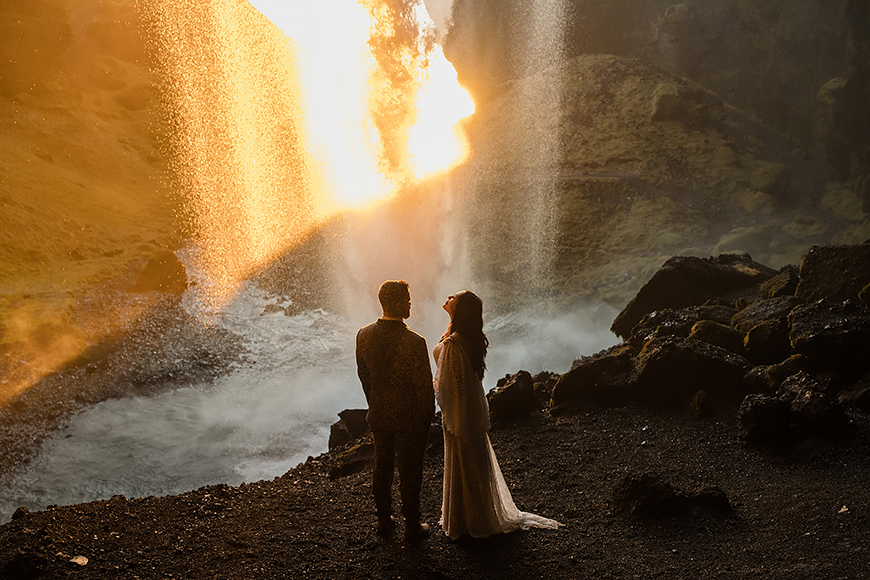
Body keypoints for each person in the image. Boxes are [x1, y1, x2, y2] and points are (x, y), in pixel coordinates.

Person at [433, 290, 561, 540]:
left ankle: (467, 519)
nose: (448, 296)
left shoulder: (452, 343)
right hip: (470, 409)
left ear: (460, 309)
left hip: (459, 411)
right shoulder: (471, 338)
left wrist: (432, 386)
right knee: (475, 462)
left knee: (464, 460)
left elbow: (447, 387)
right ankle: (479, 513)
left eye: (454, 297)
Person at [356, 280, 435, 542]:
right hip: (409, 418)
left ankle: (383, 520)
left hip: (379, 414)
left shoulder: (364, 334)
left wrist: (375, 403)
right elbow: (423, 388)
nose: (412, 304)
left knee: (383, 466)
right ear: (400, 304)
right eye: (409, 301)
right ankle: (412, 524)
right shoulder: (415, 342)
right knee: (410, 471)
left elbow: (364, 376)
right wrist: (427, 418)